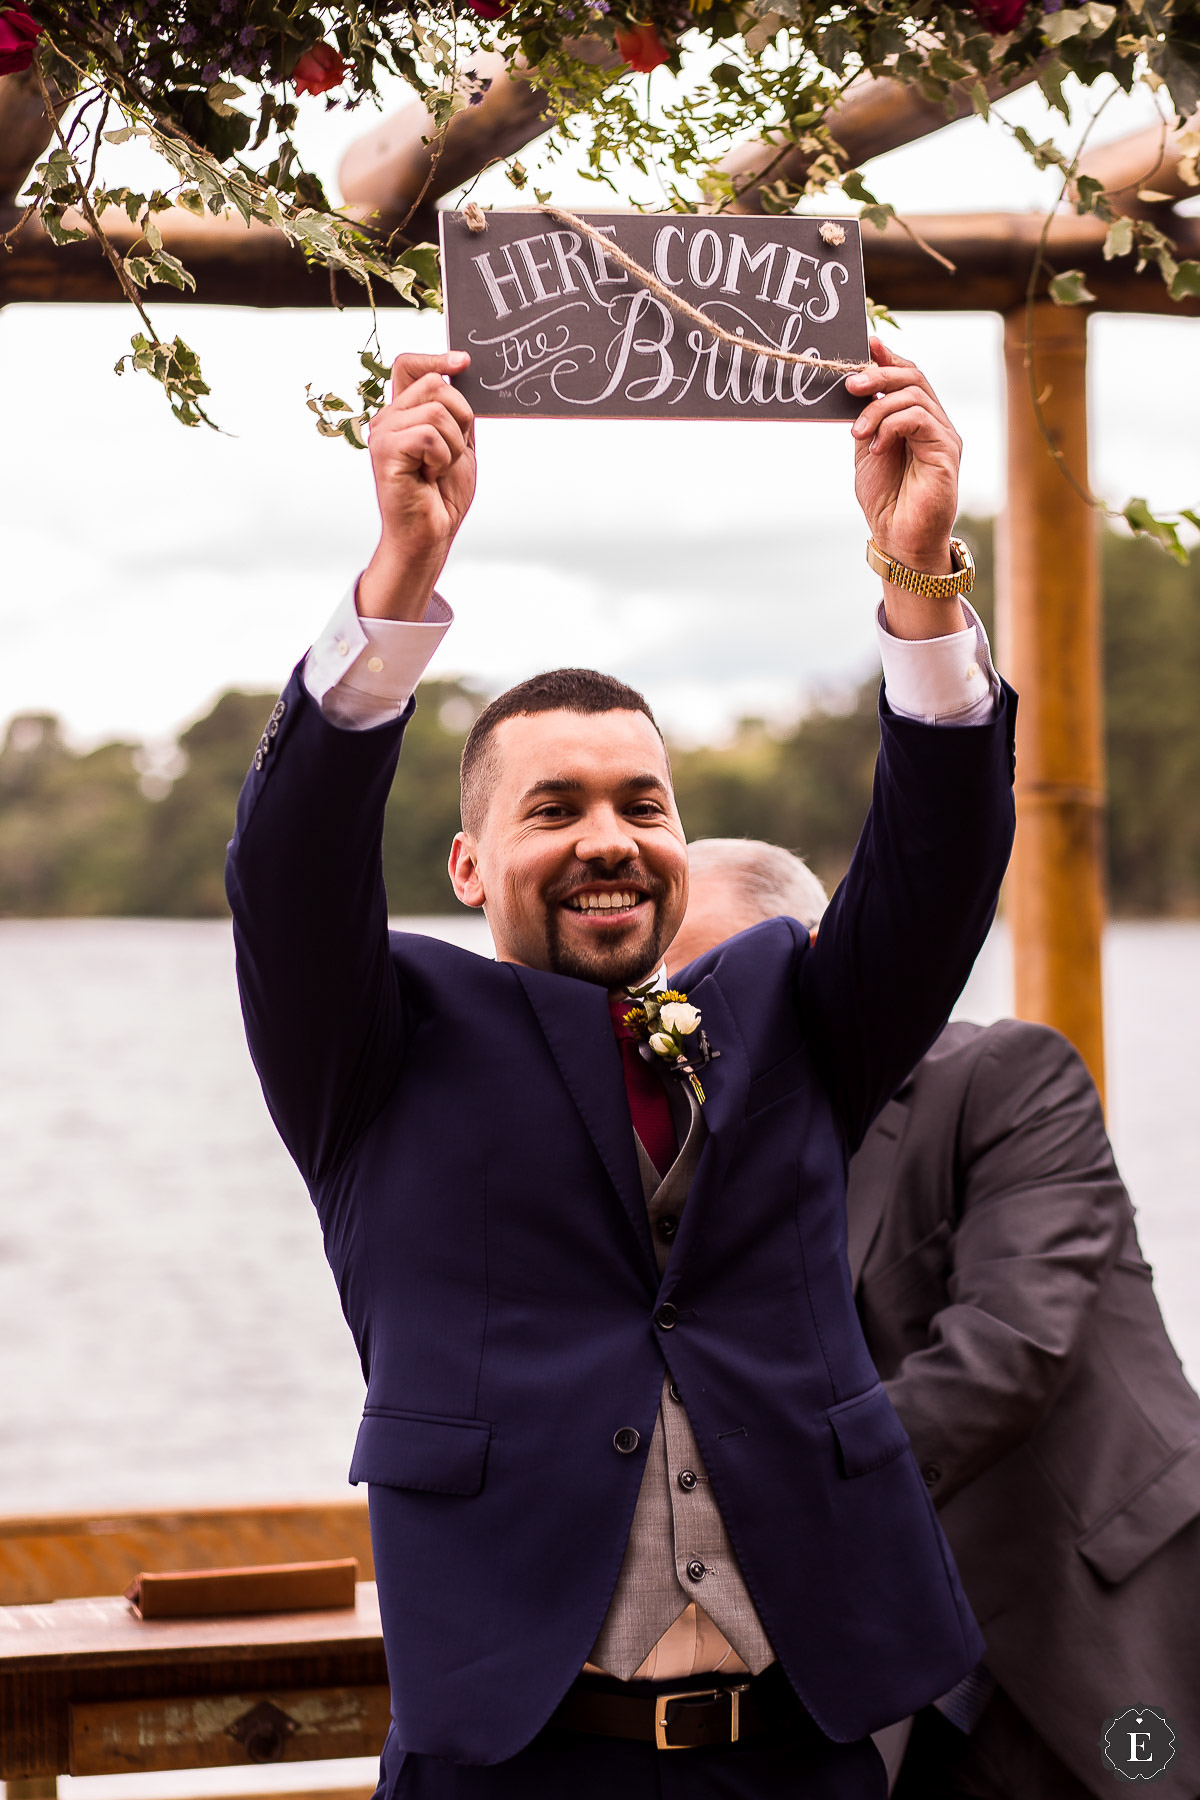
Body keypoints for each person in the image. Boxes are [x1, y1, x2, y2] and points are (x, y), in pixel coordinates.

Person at [225, 338, 1017, 1799]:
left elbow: (945, 867)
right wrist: (398, 575)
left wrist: (921, 578)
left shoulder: (790, 1015)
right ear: (468, 863)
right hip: (515, 1755)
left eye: (642, 802)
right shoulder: (371, 1055)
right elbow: (283, 872)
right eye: (556, 807)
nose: (609, 836)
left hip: (811, 1749)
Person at [668, 839, 1200, 1800]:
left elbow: (1010, 1350)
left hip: (1099, 1617)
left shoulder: (1005, 1076)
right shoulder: (682, 1188)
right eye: (662, 1004)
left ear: (823, 955)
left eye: (710, 977)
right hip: (890, 1690)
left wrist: (759, 1499)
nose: (689, 1027)